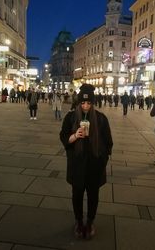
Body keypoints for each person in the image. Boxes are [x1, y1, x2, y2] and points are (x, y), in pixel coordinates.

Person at [60, 84, 113, 239]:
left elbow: (109, 142)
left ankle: (89, 221)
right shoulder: (71, 117)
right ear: (78, 102)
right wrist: (75, 135)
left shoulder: (101, 119)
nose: (85, 106)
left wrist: (102, 160)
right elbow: (63, 137)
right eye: (82, 103)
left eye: (89, 103)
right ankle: (78, 221)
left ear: (93, 103)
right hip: (77, 165)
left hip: (95, 166)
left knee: (93, 195)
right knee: (76, 195)